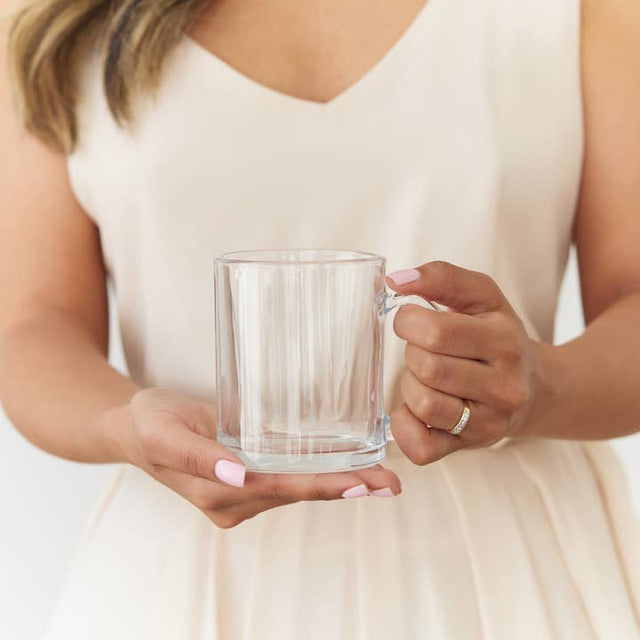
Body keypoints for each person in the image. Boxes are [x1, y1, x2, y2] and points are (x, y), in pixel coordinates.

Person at [1, 0, 639, 637]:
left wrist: (537, 386)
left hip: (512, 572)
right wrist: (124, 426)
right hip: (181, 577)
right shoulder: (52, 19)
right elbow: (33, 324)